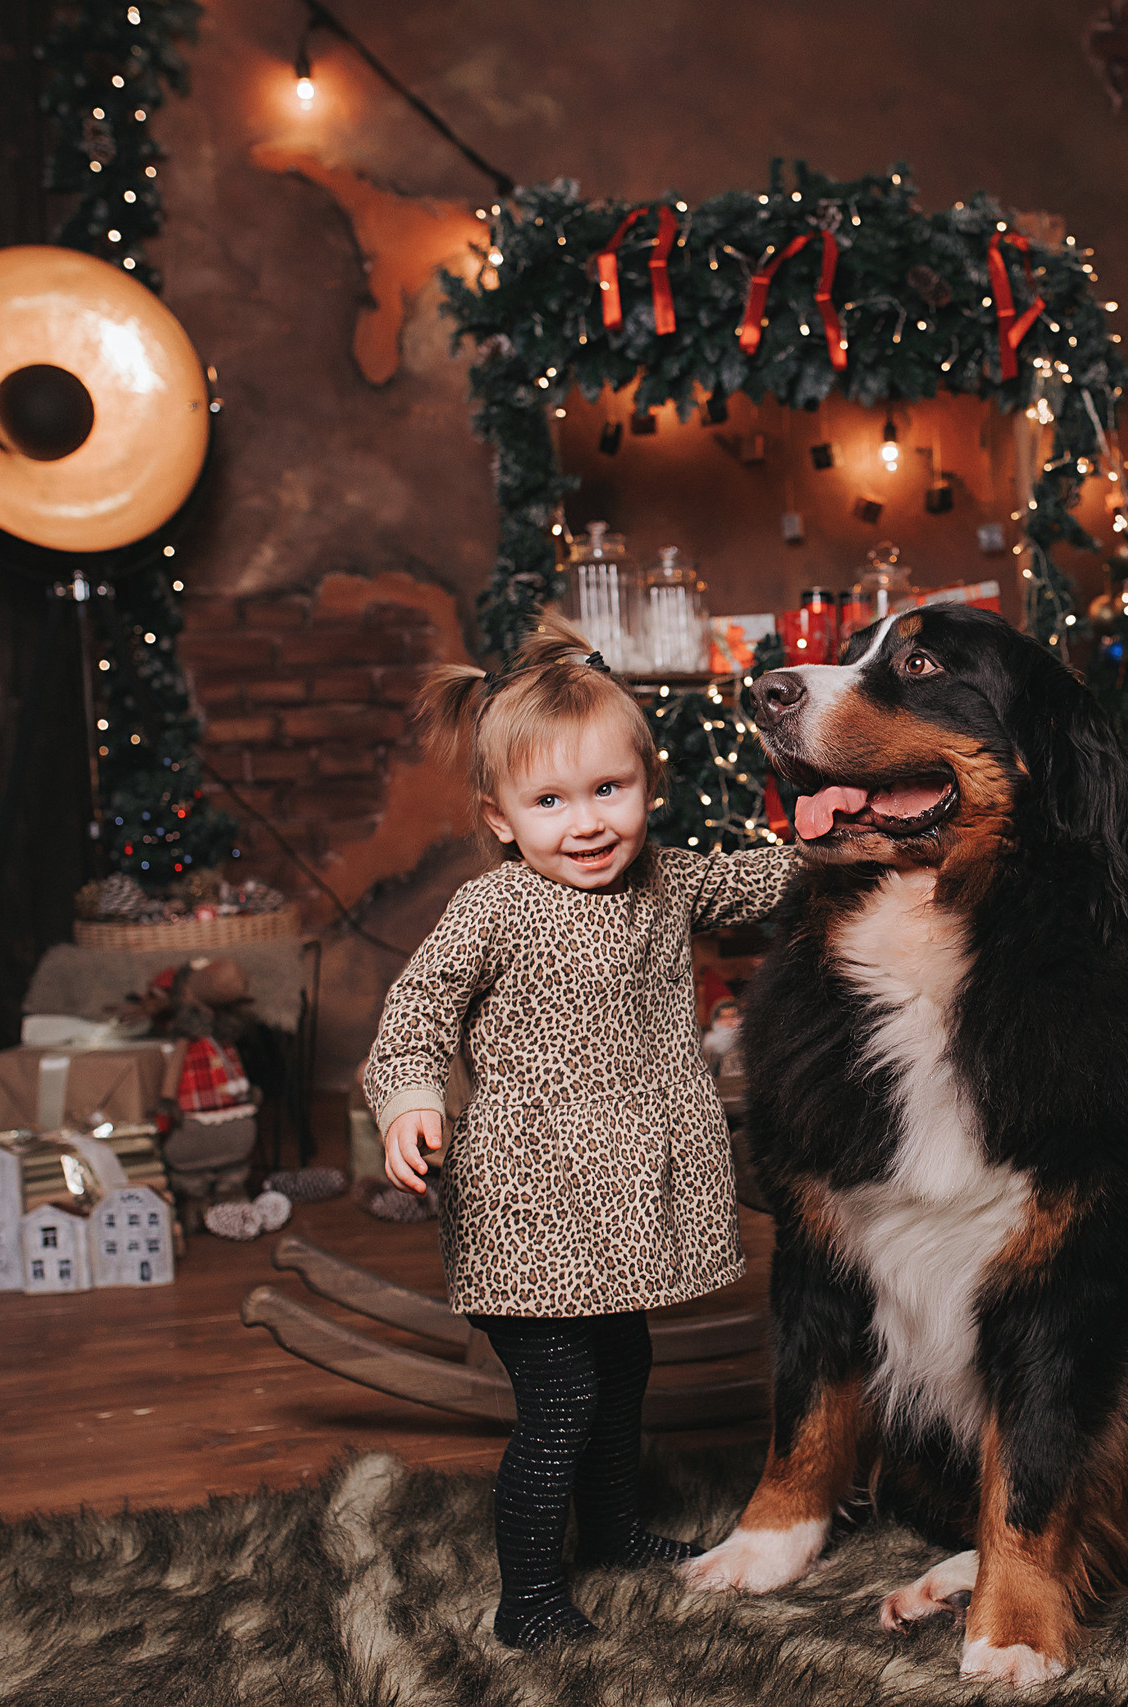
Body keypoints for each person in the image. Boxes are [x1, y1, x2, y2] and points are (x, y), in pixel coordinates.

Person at [362, 618, 798, 1650]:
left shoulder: (667, 880)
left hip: (618, 1204)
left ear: (649, 786)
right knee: (560, 1400)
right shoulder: (493, 909)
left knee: (624, 1366)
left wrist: (846, 843)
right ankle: (528, 1600)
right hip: (528, 1206)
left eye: (609, 789)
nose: (588, 822)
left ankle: (610, 1529)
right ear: (501, 818)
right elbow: (414, 1013)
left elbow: (757, 880)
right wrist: (410, 1098)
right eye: (550, 802)